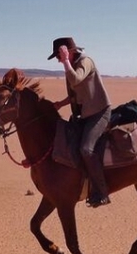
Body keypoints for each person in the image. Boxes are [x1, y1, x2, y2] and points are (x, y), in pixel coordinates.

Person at [48, 37, 112, 207]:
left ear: (69, 51)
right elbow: (77, 92)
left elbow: (76, 79)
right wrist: (61, 104)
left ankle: (102, 192)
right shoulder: (73, 63)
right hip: (85, 115)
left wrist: (66, 62)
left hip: (99, 113)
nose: (58, 59)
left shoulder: (85, 61)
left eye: (58, 55)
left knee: (86, 149)